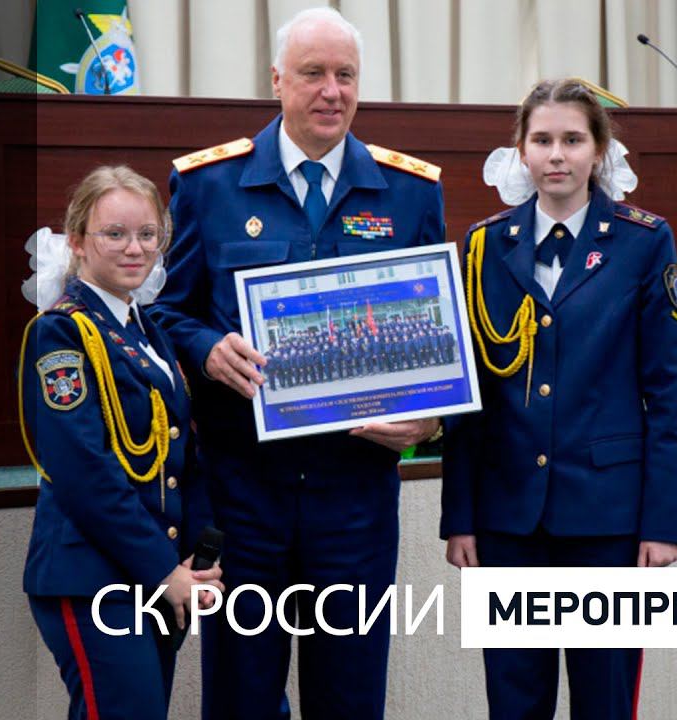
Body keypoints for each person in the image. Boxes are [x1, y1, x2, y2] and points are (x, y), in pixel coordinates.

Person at [147, 8, 445, 719]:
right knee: (241, 697)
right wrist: (205, 349)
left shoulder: (410, 192)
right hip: (243, 492)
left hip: (356, 497)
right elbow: (162, 313)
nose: (331, 91)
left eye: (346, 75)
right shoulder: (209, 184)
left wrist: (431, 421)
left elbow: (442, 341)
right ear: (277, 80)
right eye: (313, 73)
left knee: (351, 697)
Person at [440, 79, 677, 720]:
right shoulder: (484, 245)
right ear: (521, 151)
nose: (557, 155)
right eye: (542, 139)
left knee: (604, 700)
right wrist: (460, 515)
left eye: (573, 140)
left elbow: (666, 394)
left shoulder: (643, 241)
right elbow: (471, 395)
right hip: (508, 520)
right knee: (514, 703)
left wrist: (664, 523)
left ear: (599, 150)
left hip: (607, 520)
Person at [19, 166, 224, 720]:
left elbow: (181, 452)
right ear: (77, 241)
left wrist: (197, 555)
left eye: (147, 234)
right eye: (115, 234)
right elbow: (84, 472)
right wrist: (164, 569)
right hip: (92, 577)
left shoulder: (149, 330)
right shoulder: (61, 332)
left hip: (153, 577)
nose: (135, 249)